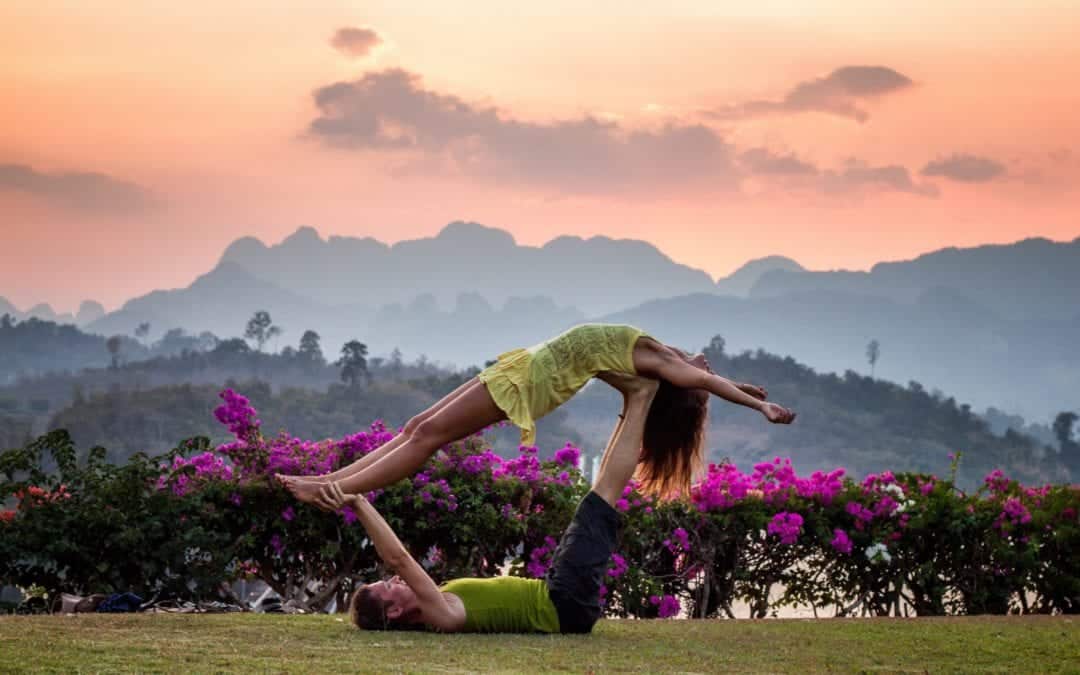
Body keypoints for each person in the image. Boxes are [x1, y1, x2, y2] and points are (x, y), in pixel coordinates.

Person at [281, 323, 795, 508]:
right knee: (418, 425)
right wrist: (744, 388)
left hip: (531, 383)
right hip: (525, 366)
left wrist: (758, 406)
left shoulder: (667, 366)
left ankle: (336, 491)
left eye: (704, 380)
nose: (707, 366)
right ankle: (329, 479)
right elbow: (706, 376)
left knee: (429, 436)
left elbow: (703, 380)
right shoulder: (668, 354)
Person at [323, 373, 669, 632]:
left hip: (558, 593)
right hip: (564, 603)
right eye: (387, 586)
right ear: (394, 611)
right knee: (602, 498)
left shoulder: (442, 602)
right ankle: (641, 397)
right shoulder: (443, 615)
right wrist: (357, 501)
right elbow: (398, 557)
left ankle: (633, 403)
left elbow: (398, 563)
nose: (394, 580)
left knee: (597, 498)